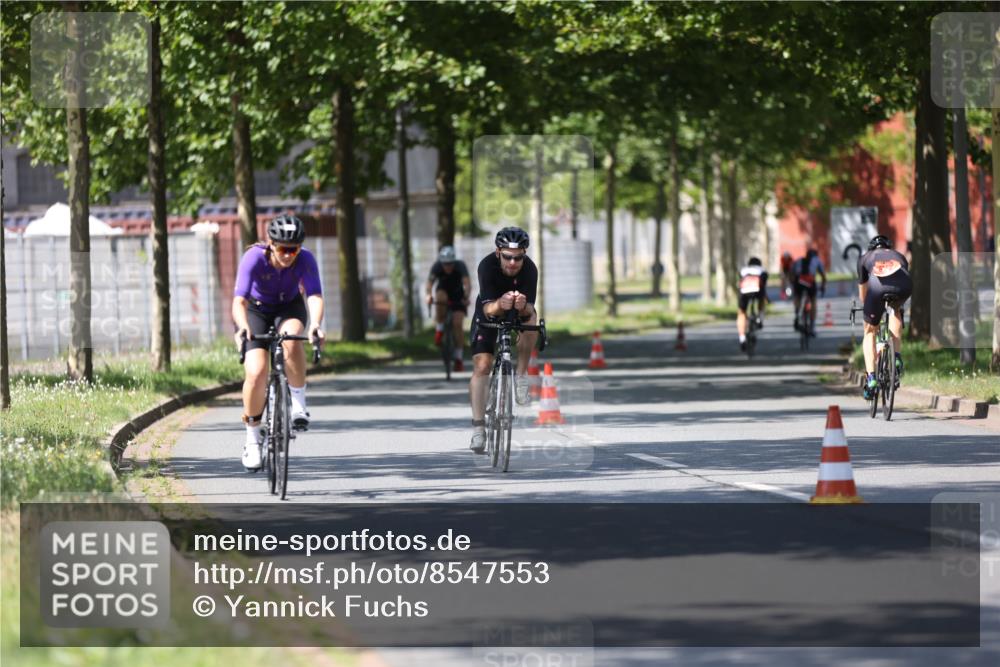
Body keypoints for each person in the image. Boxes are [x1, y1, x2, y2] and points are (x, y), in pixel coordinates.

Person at [232, 214, 325, 471]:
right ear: (271, 244)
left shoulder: (305, 259)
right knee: (256, 371)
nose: (288, 255)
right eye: (283, 248)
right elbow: (239, 300)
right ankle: (252, 438)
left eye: (293, 249)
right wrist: (242, 328)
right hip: (257, 310)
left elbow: (314, 295)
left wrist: (316, 324)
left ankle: (298, 403)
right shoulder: (253, 258)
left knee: (292, 339)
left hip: (290, 307)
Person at [468, 226, 539, 453]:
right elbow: (488, 307)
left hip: (516, 309)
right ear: (498, 252)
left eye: (518, 258)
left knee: (532, 319)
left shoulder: (530, 270)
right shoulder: (486, 266)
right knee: (482, 365)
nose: (512, 263)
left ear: (524, 255)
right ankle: (479, 429)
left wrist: (522, 305)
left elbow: (529, 309)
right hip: (490, 310)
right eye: (508, 257)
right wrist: (502, 303)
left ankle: (520, 376)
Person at [857, 235, 912, 400]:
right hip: (904, 285)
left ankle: (871, 378)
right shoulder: (899, 255)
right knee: (896, 309)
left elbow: (863, 295)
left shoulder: (865, 258)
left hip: (877, 288)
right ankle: (896, 357)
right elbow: (902, 273)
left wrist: (870, 313)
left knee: (869, 331)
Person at [425, 245, 471, 372]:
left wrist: (466, 296)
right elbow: (429, 284)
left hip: (458, 295)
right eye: (445, 264)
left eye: (450, 263)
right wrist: (428, 295)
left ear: (454, 261)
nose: (448, 267)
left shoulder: (460, 266)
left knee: (457, 324)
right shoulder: (437, 266)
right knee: (439, 298)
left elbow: (467, 283)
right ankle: (439, 329)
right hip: (443, 291)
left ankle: (459, 358)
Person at [791, 248, 827, 335]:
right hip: (810, 281)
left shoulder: (798, 260)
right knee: (813, 300)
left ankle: (797, 314)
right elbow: (823, 276)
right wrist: (822, 287)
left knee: (798, 297)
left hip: (799, 280)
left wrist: (793, 286)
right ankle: (812, 327)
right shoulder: (817, 260)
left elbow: (792, 273)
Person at [737, 257, 769, 351]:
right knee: (761, 300)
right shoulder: (762, 270)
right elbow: (764, 284)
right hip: (757, 290)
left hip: (744, 291)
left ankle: (742, 338)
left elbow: (740, 281)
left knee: (741, 312)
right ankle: (759, 318)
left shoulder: (744, 270)